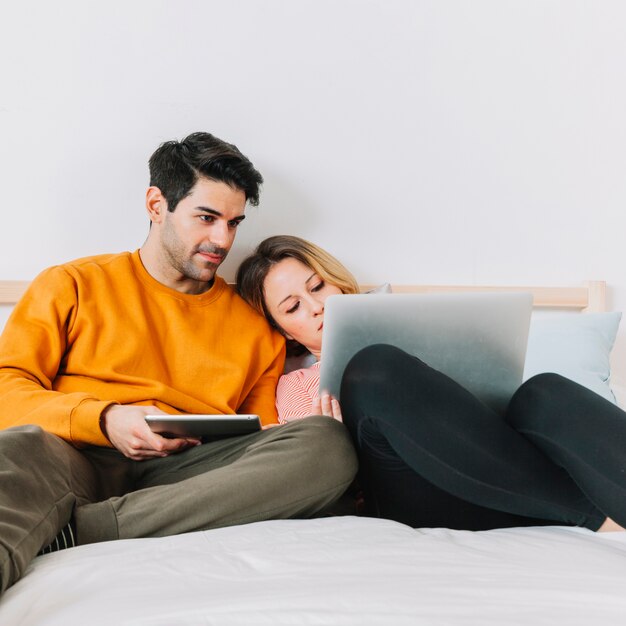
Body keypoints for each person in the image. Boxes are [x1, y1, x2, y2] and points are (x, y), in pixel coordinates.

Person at [0, 135, 357, 595]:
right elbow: (7, 389)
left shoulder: (255, 324)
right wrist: (105, 419)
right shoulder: (71, 284)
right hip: (76, 456)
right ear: (156, 204)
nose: (222, 240)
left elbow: (264, 434)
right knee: (19, 450)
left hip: (190, 474)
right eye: (206, 218)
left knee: (326, 443)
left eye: (233, 223)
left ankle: (83, 531)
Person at [236, 234, 626, 533]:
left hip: (499, 473)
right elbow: (316, 481)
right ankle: (593, 514)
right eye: (293, 307)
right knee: (375, 367)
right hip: (418, 493)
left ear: (335, 282)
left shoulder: (425, 336)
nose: (315, 305)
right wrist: (332, 436)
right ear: (283, 331)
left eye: (317, 286)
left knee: (543, 391)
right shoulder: (296, 387)